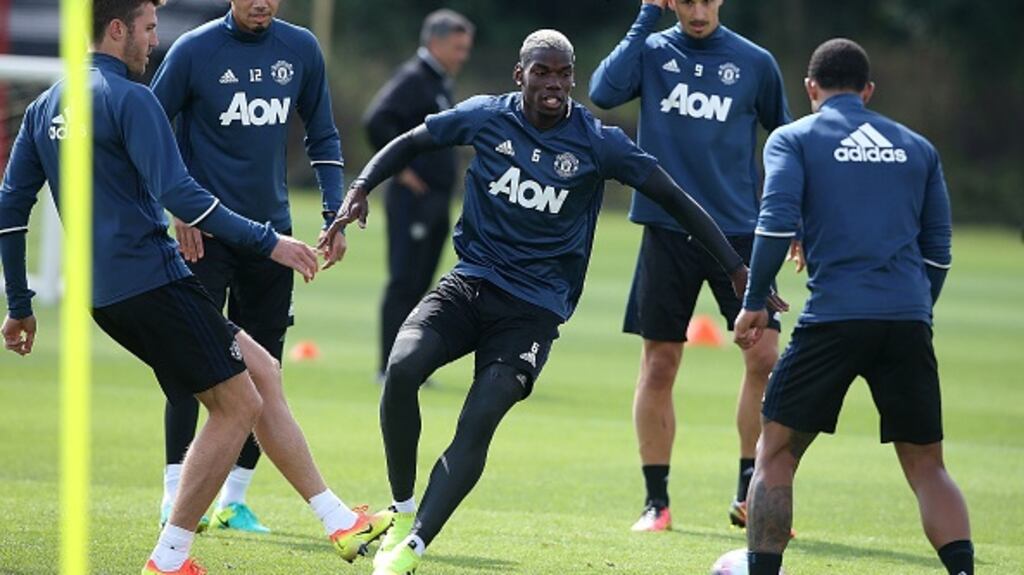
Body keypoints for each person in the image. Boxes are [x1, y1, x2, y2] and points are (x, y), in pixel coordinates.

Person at [319, 29, 781, 575]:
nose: (554, 84)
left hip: (532, 311)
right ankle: (401, 510)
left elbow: (673, 197)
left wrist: (735, 267)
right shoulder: (486, 117)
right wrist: (361, 187)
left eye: (563, 74)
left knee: (479, 419)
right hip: (469, 284)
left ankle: (413, 546)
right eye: (542, 72)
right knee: (401, 369)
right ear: (520, 75)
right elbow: (413, 141)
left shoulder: (598, 142)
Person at [0, 1, 390, 573]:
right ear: (117, 30)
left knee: (263, 372)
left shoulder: (45, 106)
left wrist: (19, 304)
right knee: (237, 406)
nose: (154, 41)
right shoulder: (131, 98)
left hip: (105, 292)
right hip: (151, 280)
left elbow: (11, 208)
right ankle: (170, 556)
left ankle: (338, 520)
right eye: (148, 28)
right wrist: (270, 241)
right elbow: (181, 196)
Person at [734, 38, 972, 575]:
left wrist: (754, 302)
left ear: (810, 88)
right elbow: (938, 253)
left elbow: (774, 224)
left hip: (833, 319)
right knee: (928, 466)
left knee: (776, 452)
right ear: (867, 91)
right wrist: (916, 311)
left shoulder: (793, 139)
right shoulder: (918, 148)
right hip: (907, 319)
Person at [589, 0, 793, 531]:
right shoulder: (652, 50)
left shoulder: (755, 62)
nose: (697, 10)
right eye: (685, 0)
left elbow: (786, 141)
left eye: (706, 0)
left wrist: (791, 215)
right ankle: (656, 503)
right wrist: (645, 16)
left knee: (764, 357)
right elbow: (603, 92)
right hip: (667, 230)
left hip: (740, 233)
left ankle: (752, 494)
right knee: (659, 364)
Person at [148, 0, 347, 532]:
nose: (261, 2)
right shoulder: (194, 50)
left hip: (271, 239)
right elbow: (150, 129)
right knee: (190, 360)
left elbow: (323, 133)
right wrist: (179, 206)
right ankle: (174, 492)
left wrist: (335, 211)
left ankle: (234, 499)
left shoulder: (300, 48)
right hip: (205, 236)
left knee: (266, 369)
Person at [363, 9, 474, 382]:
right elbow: (377, 120)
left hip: (435, 200)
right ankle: (388, 367)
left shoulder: (438, 81)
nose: (463, 56)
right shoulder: (414, 78)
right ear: (435, 43)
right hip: (413, 201)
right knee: (404, 281)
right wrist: (401, 171)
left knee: (422, 284)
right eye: (458, 47)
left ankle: (409, 365)